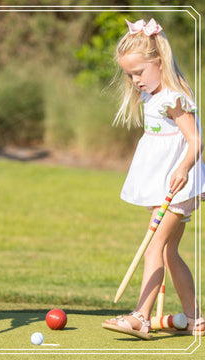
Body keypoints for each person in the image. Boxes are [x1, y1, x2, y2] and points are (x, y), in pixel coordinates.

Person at [102, 18, 205, 339]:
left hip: (178, 185)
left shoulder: (174, 97)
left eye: (139, 73)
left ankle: (140, 317)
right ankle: (196, 318)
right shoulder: (152, 97)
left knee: (154, 247)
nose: (134, 81)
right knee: (168, 252)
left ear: (159, 63)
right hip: (163, 185)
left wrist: (183, 168)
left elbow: (196, 141)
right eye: (129, 75)